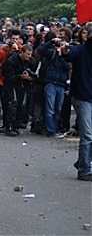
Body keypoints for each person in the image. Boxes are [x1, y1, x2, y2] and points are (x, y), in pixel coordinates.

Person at [62, 27, 92, 181]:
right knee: (87, 134)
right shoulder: (80, 50)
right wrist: (65, 51)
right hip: (83, 96)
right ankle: (84, 169)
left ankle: (83, 160)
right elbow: (68, 56)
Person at [2, 44, 37, 136]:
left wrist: (31, 78)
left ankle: (16, 125)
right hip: (12, 85)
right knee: (13, 104)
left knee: (22, 106)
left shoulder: (31, 61)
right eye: (27, 54)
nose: (29, 56)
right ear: (22, 52)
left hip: (24, 86)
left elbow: (35, 74)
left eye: (30, 54)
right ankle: (10, 126)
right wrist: (20, 76)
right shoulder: (12, 60)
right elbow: (7, 76)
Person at [40, 34, 70, 138]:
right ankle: (51, 130)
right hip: (51, 82)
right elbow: (42, 50)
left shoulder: (66, 56)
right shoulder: (51, 53)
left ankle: (56, 129)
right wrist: (52, 42)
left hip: (61, 84)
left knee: (58, 109)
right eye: (60, 44)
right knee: (50, 109)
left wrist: (62, 55)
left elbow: (67, 66)